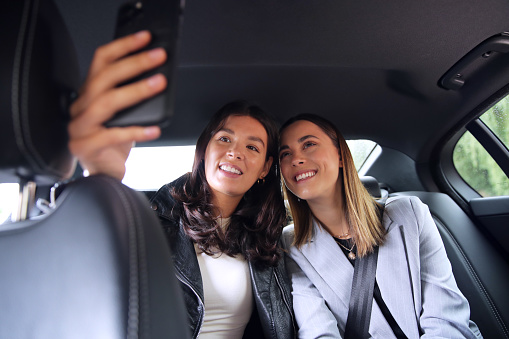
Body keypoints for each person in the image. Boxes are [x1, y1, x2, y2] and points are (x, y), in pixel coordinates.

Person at [68, 31, 295, 339]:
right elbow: (90, 274)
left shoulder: (271, 240)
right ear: (205, 152)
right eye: (224, 139)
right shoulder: (153, 221)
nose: (234, 152)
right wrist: (101, 177)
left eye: (252, 148)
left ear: (266, 168)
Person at [278, 113, 481, 338]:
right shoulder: (292, 244)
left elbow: (445, 318)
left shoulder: (409, 213)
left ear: (341, 156)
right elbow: (316, 329)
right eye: (285, 153)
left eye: (309, 144)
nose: (295, 159)